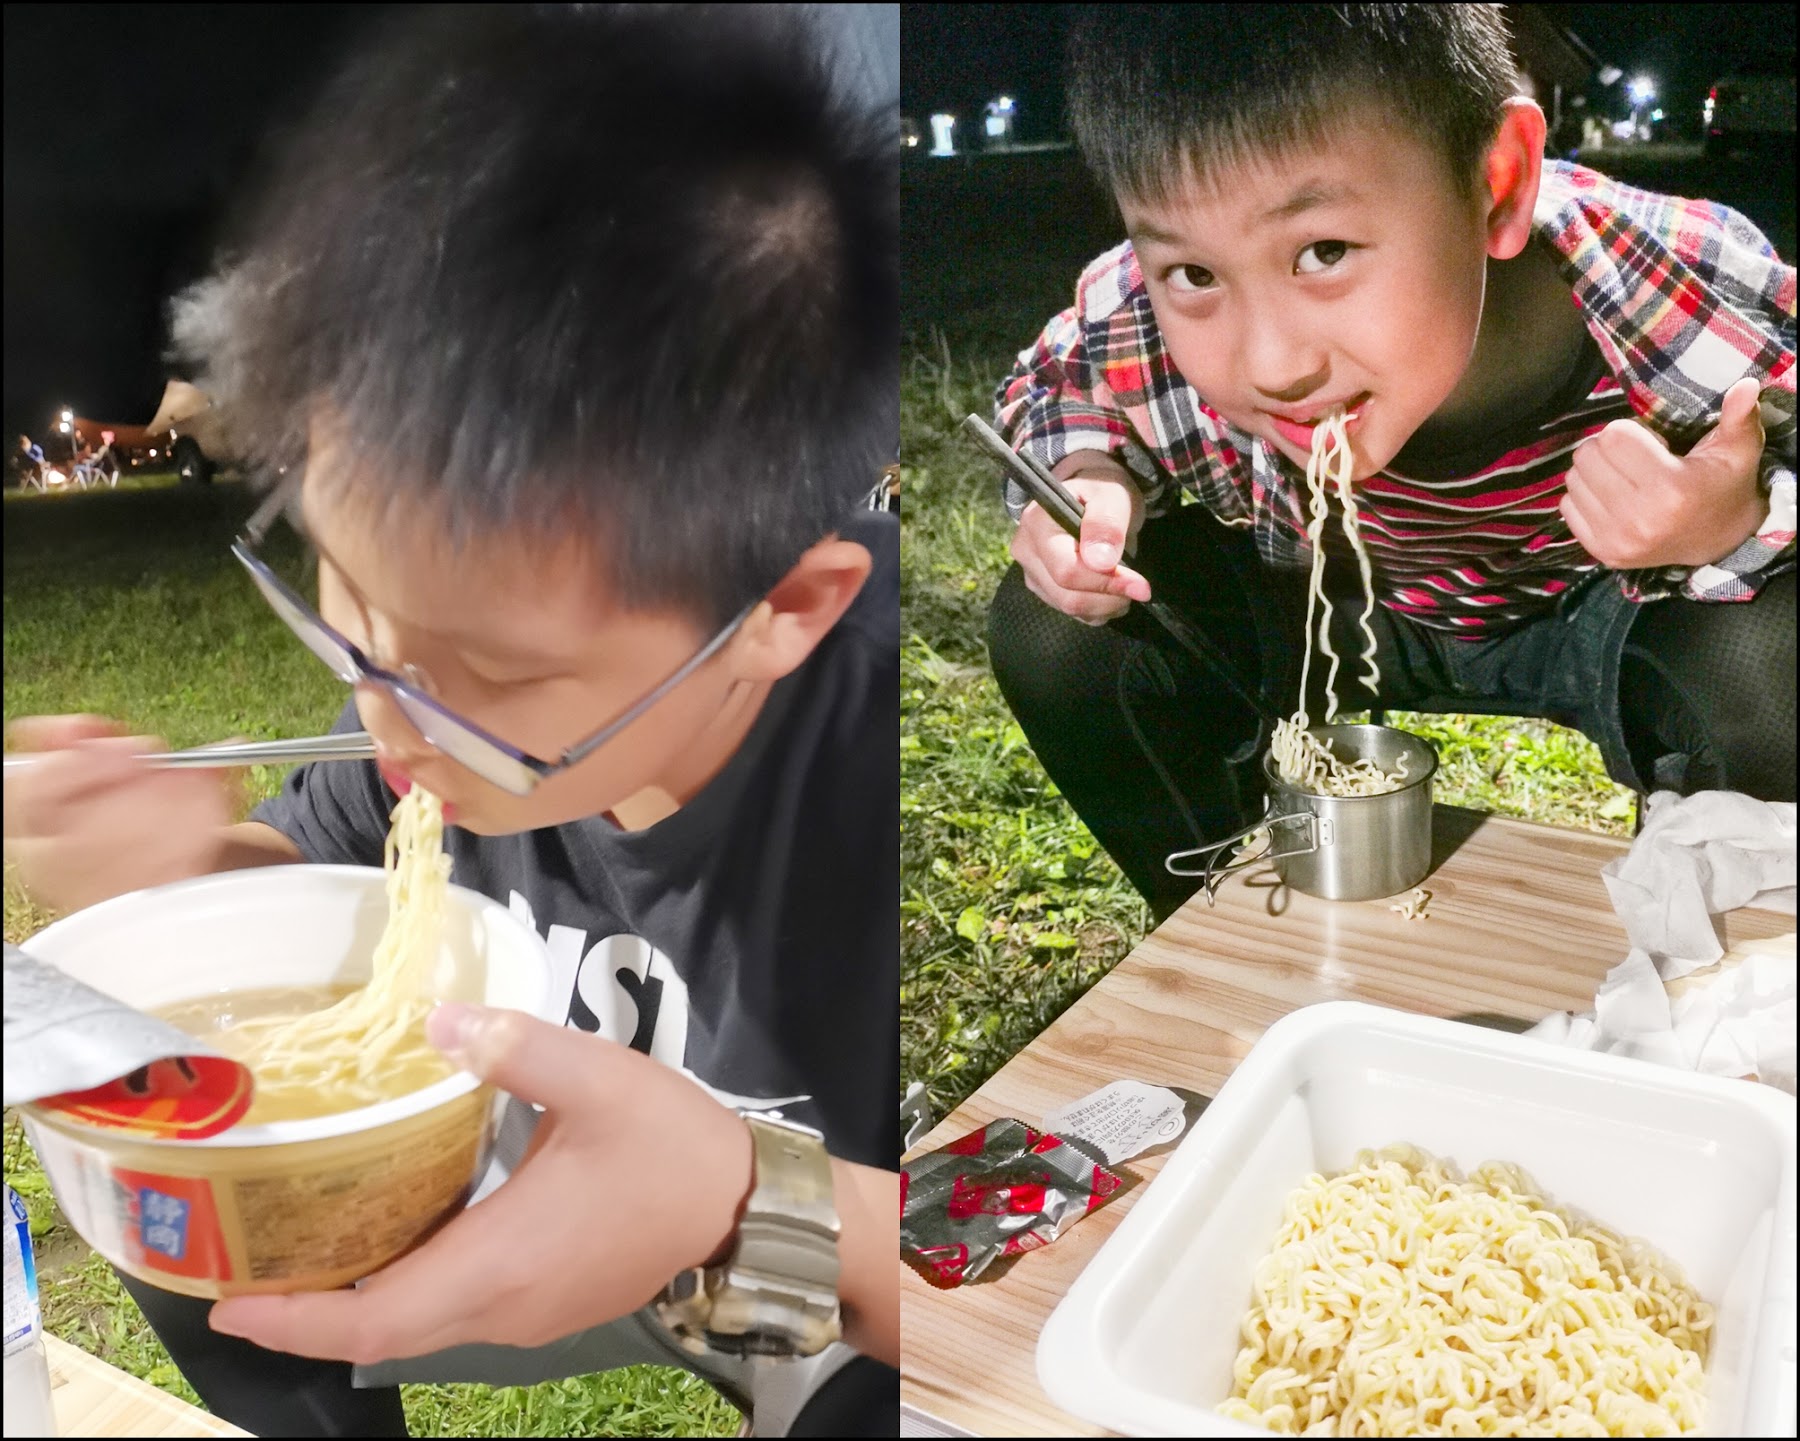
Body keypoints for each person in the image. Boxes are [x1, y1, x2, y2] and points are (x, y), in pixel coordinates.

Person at [4, 4, 898, 1436]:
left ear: (783, 612)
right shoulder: (419, 721)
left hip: (819, 1255)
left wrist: (745, 1202)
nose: (392, 720)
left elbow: (989, 1257)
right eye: (346, 601)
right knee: (204, 1188)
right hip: (542, 1197)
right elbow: (320, 889)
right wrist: (182, 873)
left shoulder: (871, 775)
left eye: (491, 672)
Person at [988, 5, 1795, 921]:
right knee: (1062, 635)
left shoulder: (1670, 284)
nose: (1271, 364)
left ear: (1497, 184)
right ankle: (1218, 932)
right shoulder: (1142, 323)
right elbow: (1060, 386)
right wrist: (1089, 475)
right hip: (1336, 601)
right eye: (1198, 276)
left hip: (1605, 609)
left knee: (1775, 652)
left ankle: (1723, 974)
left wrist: (1728, 519)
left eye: (1323, 251)